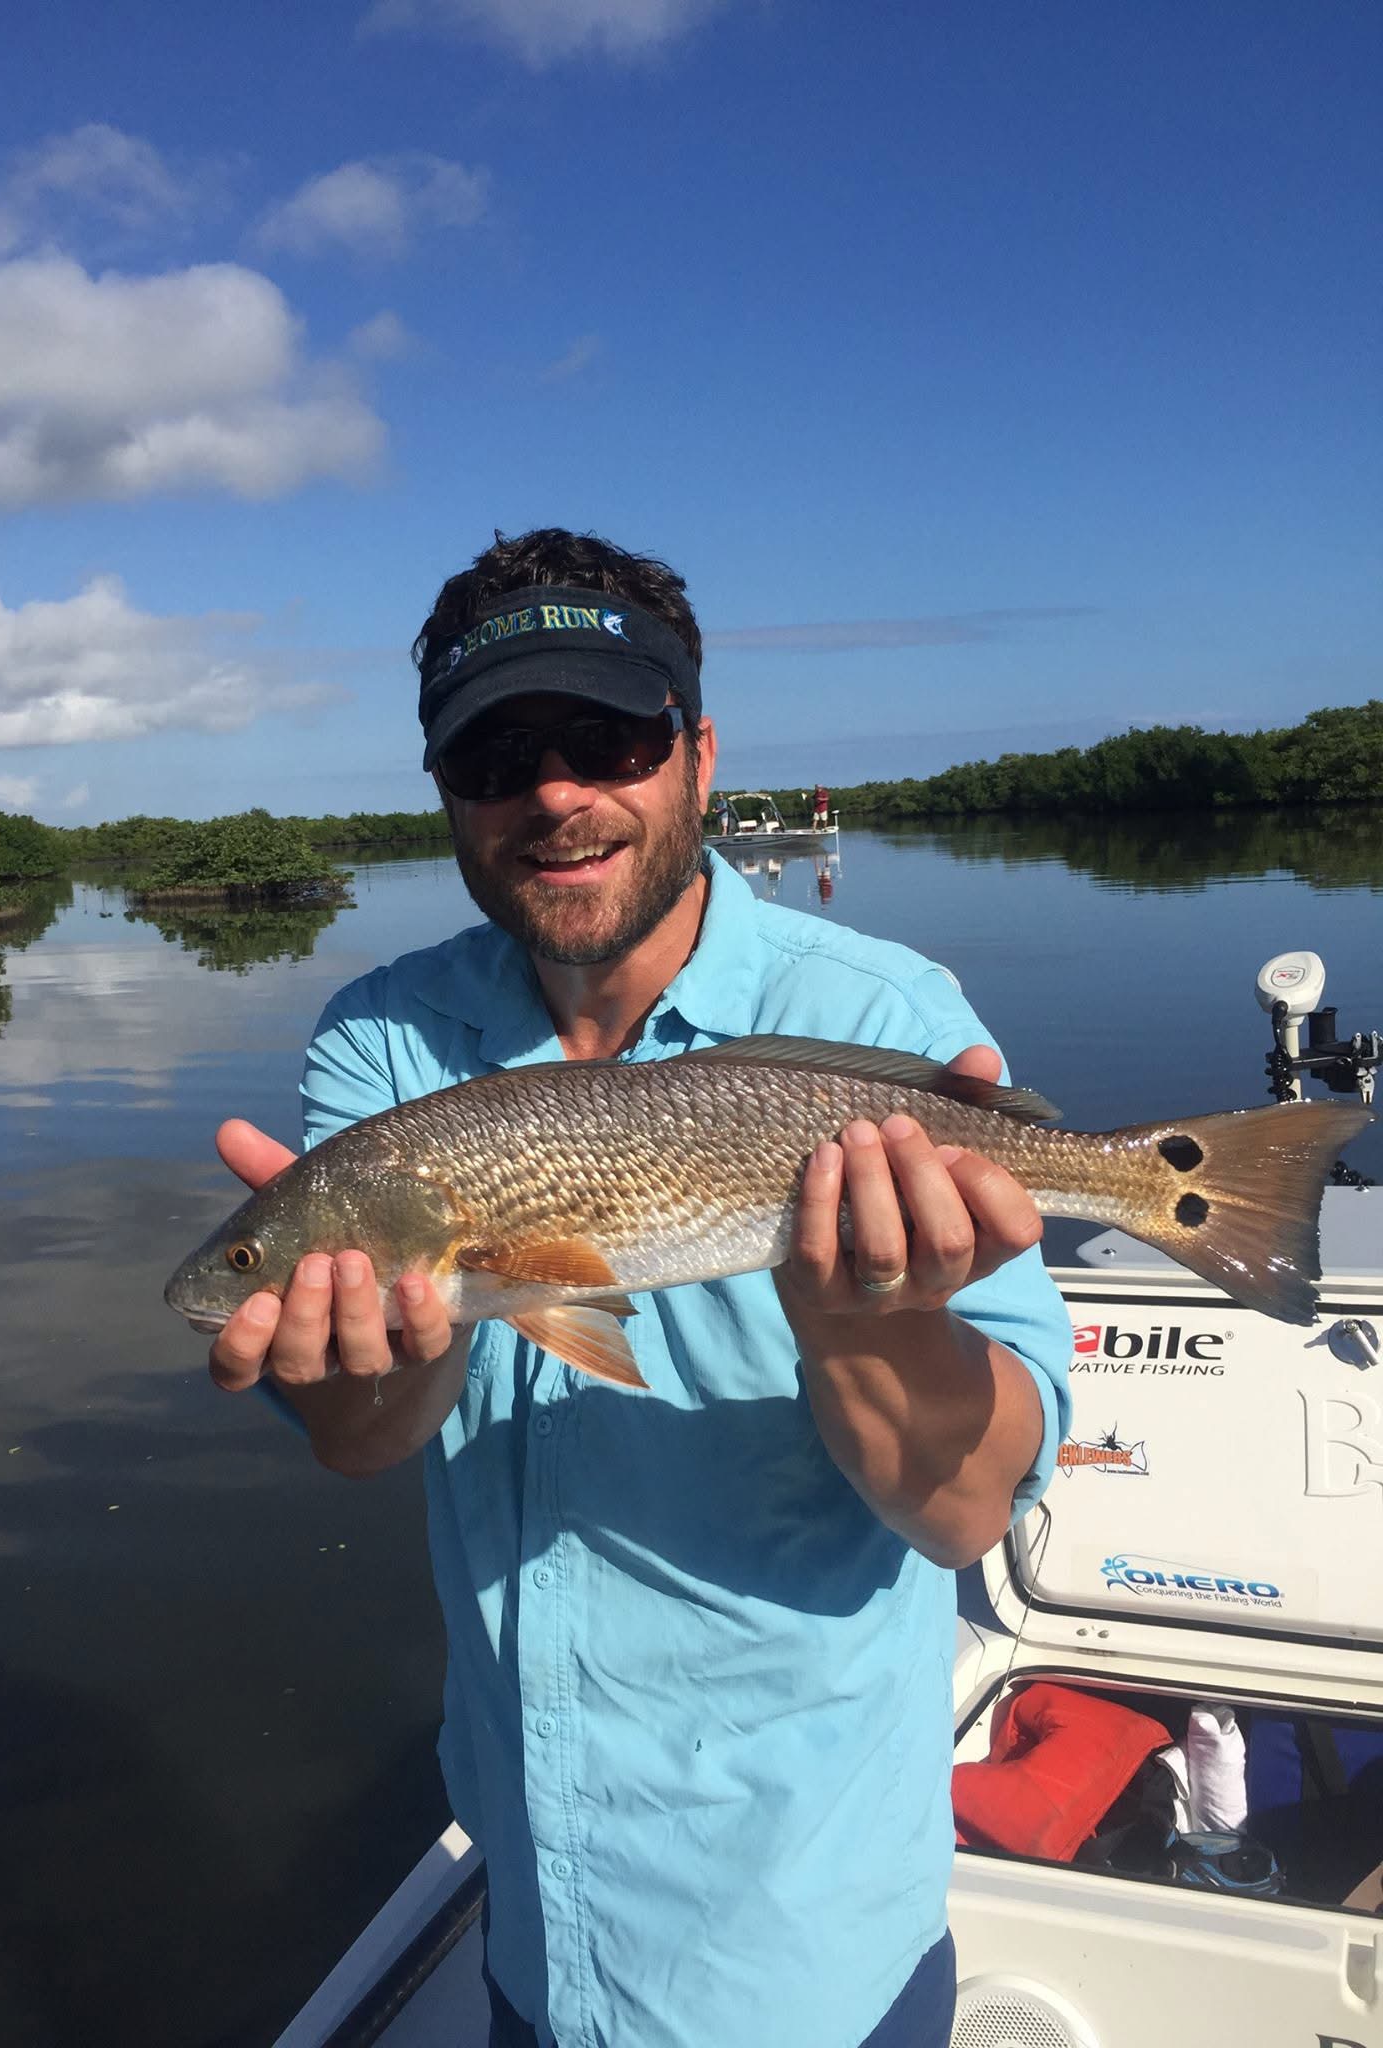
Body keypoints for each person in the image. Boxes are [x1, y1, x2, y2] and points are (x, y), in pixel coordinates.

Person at [206, 528, 1072, 2048]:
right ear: (448, 794)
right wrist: (367, 1340)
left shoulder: (880, 1016)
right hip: (533, 1915)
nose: (554, 790)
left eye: (608, 736)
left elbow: (967, 1513)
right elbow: (361, 1438)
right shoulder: (380, 1044)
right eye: (498, 751)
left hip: (804, 1951)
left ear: (698, 754)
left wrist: (872, 1325)